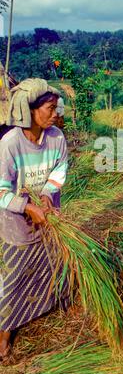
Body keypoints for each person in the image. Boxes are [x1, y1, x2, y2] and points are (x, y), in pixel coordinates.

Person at [0, 78, 70, 359]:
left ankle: (44, 308)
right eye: (50, 108)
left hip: (49, 215)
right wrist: (27, 207)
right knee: (14, 277)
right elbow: (1, 191)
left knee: (52, 264)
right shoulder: (9, 144)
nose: (56, 114)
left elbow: (60, 168)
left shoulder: (56, 137)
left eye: (56, 108)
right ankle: (4, 332)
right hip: (15, 223)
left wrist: (47, 195)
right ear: (28, 111)